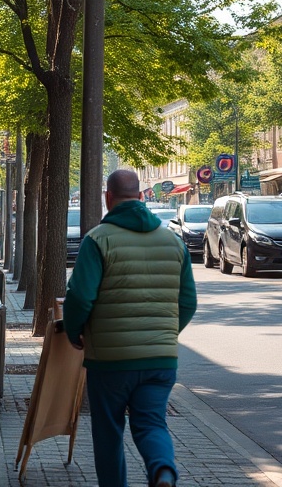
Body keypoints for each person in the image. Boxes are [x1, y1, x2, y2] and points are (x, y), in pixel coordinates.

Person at [63, 169, 197, 487]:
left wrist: (74, 332)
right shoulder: (173, 242)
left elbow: (80, 297)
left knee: (108, 432)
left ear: (108, 198)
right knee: (151, 423)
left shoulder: (97, 240)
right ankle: (163, 470)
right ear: (140, 198)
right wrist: (165, 334)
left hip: (110, 360)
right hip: (160, 361)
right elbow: (188, 302)